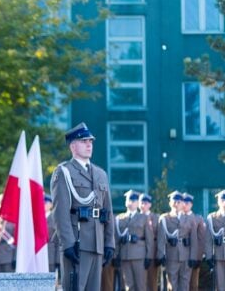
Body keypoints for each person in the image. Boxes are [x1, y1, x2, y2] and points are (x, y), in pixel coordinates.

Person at [50, 122, 115, 291]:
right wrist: (68, 244)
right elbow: (60, 212)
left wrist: (109, 243)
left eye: (91, 141)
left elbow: (107, 212)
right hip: (77, 243)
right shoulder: (64, 172)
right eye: (84, 141)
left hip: (97, 243)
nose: (89, 144)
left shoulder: (101, 174)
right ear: (73, 146)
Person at [156, 191, 198, 291]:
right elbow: (161, 239)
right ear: (170, 203)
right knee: (172, 284)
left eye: (179, 202)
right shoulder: (165, 218)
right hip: (171, 255)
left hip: (186, 255)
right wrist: (161, 255)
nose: (176, 204)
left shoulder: (190, 219)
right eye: (174, 202)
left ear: (183, 204)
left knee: (185, 284)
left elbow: (194, 239)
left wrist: (193, 257)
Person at [114, 190, 153, 291]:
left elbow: (149, 239)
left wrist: (149, 257)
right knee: (128, 286)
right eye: (129, 200)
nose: (131, 202)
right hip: (125, 255)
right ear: (125, 202)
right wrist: (116, 255)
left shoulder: (144, 217)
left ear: (137, 203)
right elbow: (117, 239)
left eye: (134, 200)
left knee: (141, 285)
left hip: (139, 256)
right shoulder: (119, 218)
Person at [182, 193, 205, 291]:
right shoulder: (176, 218)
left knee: (193, 284)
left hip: (193, 255)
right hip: (179, 255)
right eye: (183, 203)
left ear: (191, 204)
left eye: (187, 203)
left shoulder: (197, 219)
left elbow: (200, 240)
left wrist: (198, 258)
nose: (184, 205)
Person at [139, 193, 159, 291]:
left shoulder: (156, 217)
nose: (143, 205)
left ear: (150, 204)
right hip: (138, 252)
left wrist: (159, 254)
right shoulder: (135, 217)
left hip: (153, 252)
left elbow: (159, 237)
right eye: (141, 202)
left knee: (152, 281)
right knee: (139, 282)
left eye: (145, 203)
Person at [0, 194, 16, 272]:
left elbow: (16, 241)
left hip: (8, 256)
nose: (0, 205)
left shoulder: (13, 220)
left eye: (2, 202)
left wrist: (15, 258)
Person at [45, 194, 60, 278]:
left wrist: (57, 259)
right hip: (39, 255)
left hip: (51, 256)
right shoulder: (36, 218)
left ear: (50, 204)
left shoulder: (54, 218)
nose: (43, 205)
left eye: (45, 203)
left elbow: (58, 240)